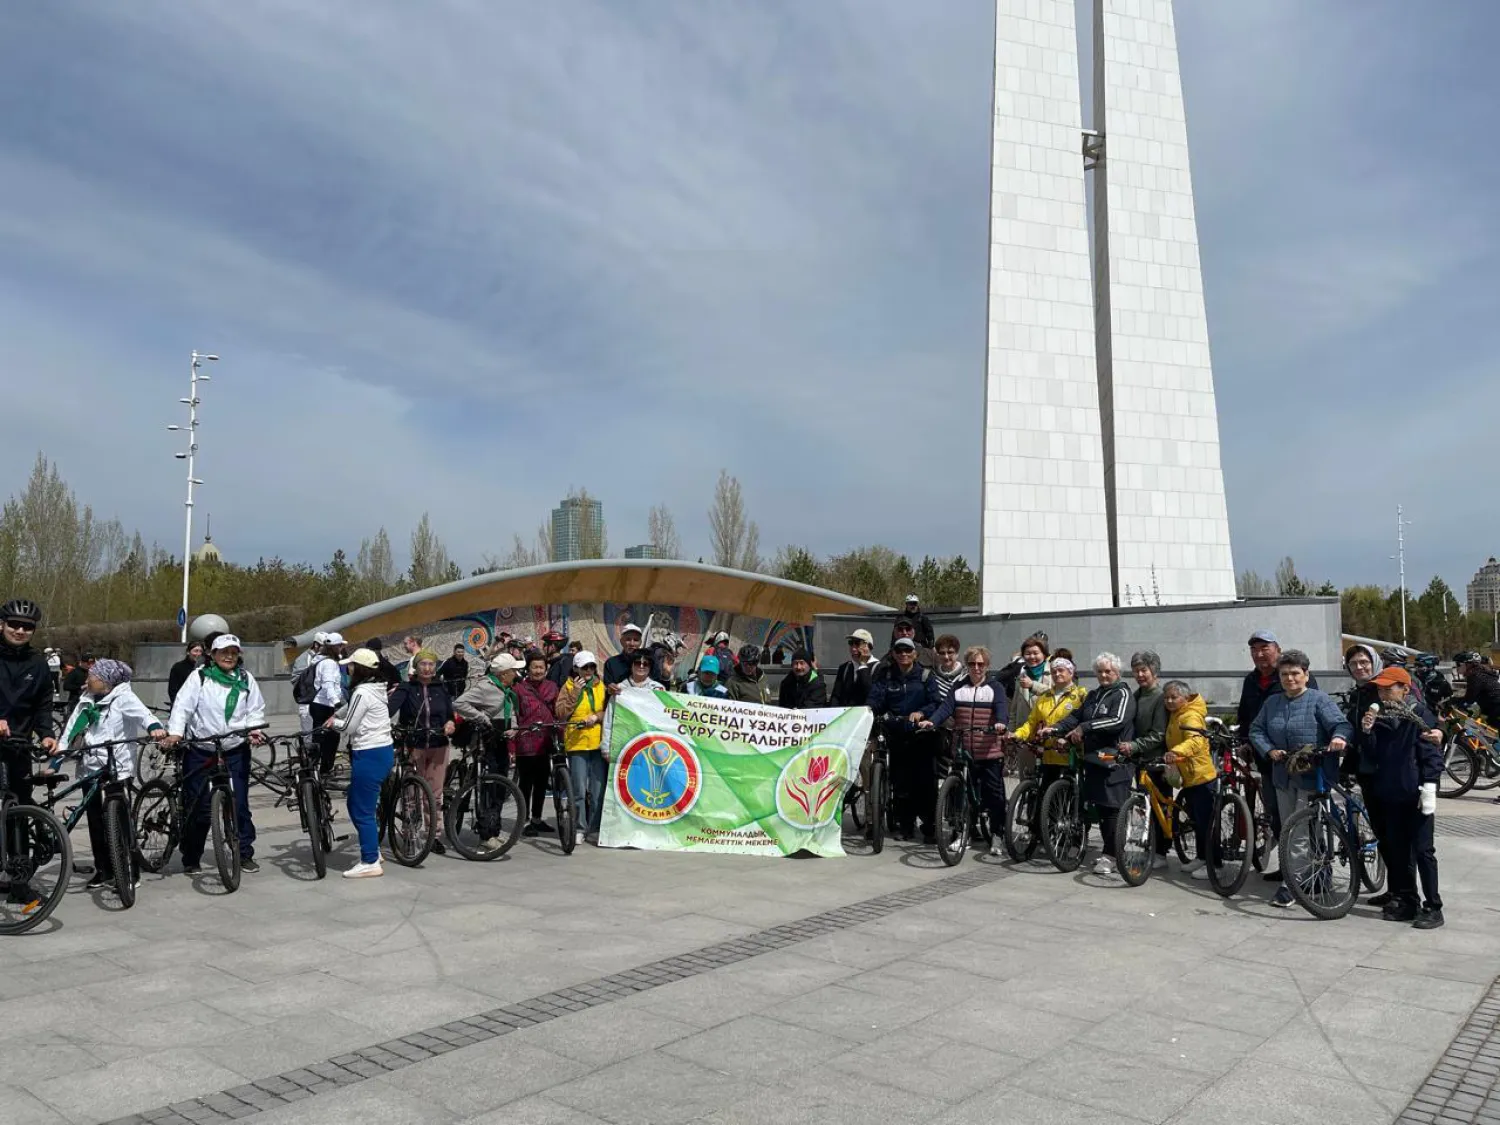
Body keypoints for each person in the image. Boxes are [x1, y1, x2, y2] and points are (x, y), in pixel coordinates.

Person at [1248, 649, 1351, 907]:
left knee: (1301, 831)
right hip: (1283, 775)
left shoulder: (1319, 700)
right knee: (1289, 828)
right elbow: (1256, 729)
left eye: (1295, 673)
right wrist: (1269, 750)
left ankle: (1292, 884)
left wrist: (1339, 738)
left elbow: (1341, 725)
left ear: (1306, 675)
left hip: (1312, 774)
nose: (1290, 678)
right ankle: (1313, 875)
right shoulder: (1272, 703)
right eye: (1284, 674)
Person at [57, 658, 165, 891]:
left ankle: (129, 870)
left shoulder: (124, 697)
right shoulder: (86, 700)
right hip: (90, 766)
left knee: (119, 821)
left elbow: (144, 715)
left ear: (105, 681)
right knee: (95, 820)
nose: (88, 680)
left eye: (92, 677)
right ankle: (103, 870)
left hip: (118, 766)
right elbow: (70, 729)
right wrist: (57, 757)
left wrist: (154, 727)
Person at [164, 634, 268, 874]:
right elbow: (182, 707)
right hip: (202, 749)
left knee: (239, 803)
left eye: (233, 652)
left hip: (234, 748)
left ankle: (243, 853)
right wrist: (176, 733)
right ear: (212, 654)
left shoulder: (245, 678)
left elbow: (255, 709)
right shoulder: (199, 677)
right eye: (224, 652)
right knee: (198, 807)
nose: (229, 656)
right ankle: (191, 856)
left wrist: (254, 730)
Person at [1357, 666, 1445, 928]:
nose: (1383, 694)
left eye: (1389, 688)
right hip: (1390, 793)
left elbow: (1430, 752)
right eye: (1380, 689)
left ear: (1405, 689)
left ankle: (1433, 906)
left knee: (1423, 851)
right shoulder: (1382, 715)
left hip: (1416, 793)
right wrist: (1367, 731)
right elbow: (1373, 755)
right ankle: (1407, 901)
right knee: (1397, 850)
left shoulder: (1420, 714)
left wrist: (1430, 785)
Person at [1042, 652, 1135, 878]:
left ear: (1117, 673)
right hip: (1093, 758)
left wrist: (1085, 728)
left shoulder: (1122, 693)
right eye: (1100, 671)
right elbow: (1076, 716)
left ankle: (1111, 855)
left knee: (1110, 809)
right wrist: (1056, 729)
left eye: (1108, 671)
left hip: (1113, 759)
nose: (1103, 675)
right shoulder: (1094, 695)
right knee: (1098, 809)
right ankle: (1092, 847)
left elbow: (1117, 721)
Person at [1235, 630, 1317, 880]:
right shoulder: (1251, 680)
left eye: (1264, 648)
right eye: (1254, 650)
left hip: (1300, 763)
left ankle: (1312, 869)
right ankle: (1288, 867)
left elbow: (1315, 712)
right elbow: (1247, 716)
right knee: (1278, 815)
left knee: (1304, 817)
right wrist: (1245, 741)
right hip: (1268, 759)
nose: (1259, 654)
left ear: (1277, 649)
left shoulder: (1294, 678)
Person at [920, 645, 1008, 856]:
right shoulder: (959, 686)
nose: (976, 668)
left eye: (981, 664)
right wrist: (931, 722)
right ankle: (963, 833)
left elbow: (1002, 709)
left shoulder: (995, 687)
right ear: (967, 665)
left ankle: (998, 834)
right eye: (972, 664)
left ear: (987, 666)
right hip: (963, 748)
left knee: (994, 795)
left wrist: (1001, 724)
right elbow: (945, 708)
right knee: (962, 795)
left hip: (988, 750)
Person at [0, 599, 59, 910]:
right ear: (2, 625)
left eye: (27, 627)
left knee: (19, 812)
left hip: (19, 745)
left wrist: (47, 734)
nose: (20, 630)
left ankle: (19, 882)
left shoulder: (37, 664)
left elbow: (43, 704)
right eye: (14, 624)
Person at [325, 649, 394, 879]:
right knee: (355, 804)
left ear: (360, 669)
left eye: (351, 666)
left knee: (363, 810)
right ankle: (372, 848)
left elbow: (348, 727)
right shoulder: (375, 689)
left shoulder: (363, 692)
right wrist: (338, 716)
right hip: (380, 751)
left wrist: (333, 723)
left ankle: (370, 861)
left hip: (370, 753)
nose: (348, 670)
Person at [867, 637, 941, 843]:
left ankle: (929, 827)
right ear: (893, 654)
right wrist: (870, 709)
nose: (903, 654)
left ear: (915, 654)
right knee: (901, 785)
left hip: (921, 737)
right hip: (896, 736)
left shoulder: (926, 676)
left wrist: (921, 712)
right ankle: (905, 826)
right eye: (899, 651)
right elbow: (876, 699)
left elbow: (936, 703)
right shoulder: (887, 676)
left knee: (925, 785)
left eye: (907, 650)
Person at [387, 648, 457, 854]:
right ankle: (409, 834)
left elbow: (449, 714)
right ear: (415, 668)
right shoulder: (407, 688)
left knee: (435, 795)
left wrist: (450, 723)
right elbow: (390, 709)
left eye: (430, 665)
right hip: (413, 745)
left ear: (435, 668)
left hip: (438, 745)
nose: (426, 668)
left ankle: (433, 835)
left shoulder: (441, 688)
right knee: (411, 792)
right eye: (422, 664)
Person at [1010, 654, 1088, 800]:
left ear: (1071, 672)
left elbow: (1084, 721)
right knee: (1045, 798)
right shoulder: (1044, 696)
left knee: (1068, 799)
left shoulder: (1081, 695)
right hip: (1048, 755)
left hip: (1070, 754)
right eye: (1053, 671)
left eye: (1061, 670)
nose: (1057, 674)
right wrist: (1017, 734)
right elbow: (1031, 722)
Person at [1161, 680, 1217, 879]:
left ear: (1185, 697)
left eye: (1174, 697)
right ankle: (1202, 858)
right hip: (1190, 777)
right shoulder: (1176, 715)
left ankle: (1214, 864)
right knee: (1197, 821)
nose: (1169, 701)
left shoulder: (1190, 715)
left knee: (1207, 823)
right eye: (1166, 697)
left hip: (1201, 776)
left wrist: (1176, 752)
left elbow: (1195, 740)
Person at [1119, 651, 1170, 864]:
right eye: (1136, 671)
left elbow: (1159, 734)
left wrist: (1134, 745)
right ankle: (1149, 848)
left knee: (1159, 807)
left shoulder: (1160, 697)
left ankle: (1160, 853)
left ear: (1154, 671)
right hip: (1139, 760)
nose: (1139, 675)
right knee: (1144, 807)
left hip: (1156, 761)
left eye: (1144, 670)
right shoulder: (1135, 695)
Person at [556, 651, 608, 844]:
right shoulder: (568, 686)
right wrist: (575, 693)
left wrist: (596, 717)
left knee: (597, 789)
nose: (589, 671)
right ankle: (579, 827)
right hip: (577, 743)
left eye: (592, 667)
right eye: (585, 667)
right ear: (576, 668)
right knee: (578, 789)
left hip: (596, 742)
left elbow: (606, 709)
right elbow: (561, 713)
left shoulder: (599, 685)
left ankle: (594, 827)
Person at [511, 653, 560, 836]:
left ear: (546, 669)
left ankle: (537, 819)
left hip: (546, 740)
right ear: (528, 669)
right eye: (535, 667)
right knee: (525, 783)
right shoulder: (519, 689)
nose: (538, 670)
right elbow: (516, 714)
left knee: (541, 782)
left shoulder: (552, 687)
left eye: (541, 667)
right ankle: (523, 821)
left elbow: (558, 710)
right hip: (526, 741)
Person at [308, 632, 347, 773]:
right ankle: (324, 770)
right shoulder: (329, 663)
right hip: (325, 705)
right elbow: (328, 685)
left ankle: (313, 768)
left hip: (318, 703)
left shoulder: (318, 659)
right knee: (331, 738)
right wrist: (337, 703)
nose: (342, 648)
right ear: (335, 647)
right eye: (340, 646)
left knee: (319, 737)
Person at [831, 629, 880, 707]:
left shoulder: (879, 668)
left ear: (869, 647)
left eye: (857, 644)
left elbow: (871, 695)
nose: (853, 649)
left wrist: (863, 664)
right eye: (851, 643)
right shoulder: (845, 668)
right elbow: (836, 696)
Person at [1454, 652, 1500, 727]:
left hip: (1496, 707)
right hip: (1492, 707)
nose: (1456, 667)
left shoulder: (1475, 676)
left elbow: (1469, 699)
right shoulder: (1481, 672)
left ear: (1468, 664)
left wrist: (1455, 701)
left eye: (1458, 664)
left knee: (1491, 729)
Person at [603, 624, 644, 691]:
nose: (632, 644)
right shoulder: (611, 663)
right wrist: (610, 688)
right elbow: (608, 687)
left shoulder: (648, 663)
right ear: (621, 641)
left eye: (636, 640)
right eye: (628, 639)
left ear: (640, 642)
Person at [167, 642, 205, 707]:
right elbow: (172, 690)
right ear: (188, 652)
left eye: (200, 651)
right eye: (195, 651)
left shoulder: (205, 668)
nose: (198, 654)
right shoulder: (178, 667)